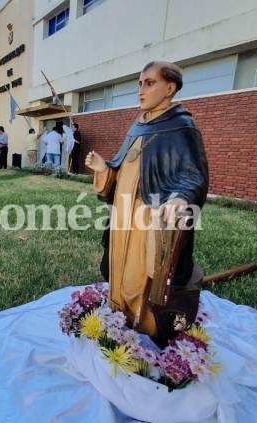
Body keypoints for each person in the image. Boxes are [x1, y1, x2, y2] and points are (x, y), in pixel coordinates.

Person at [85, 61, 209, 345]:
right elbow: (122, 166)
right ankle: (118, 313)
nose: (141, 90)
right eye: (140, 83)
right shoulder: (138, 124)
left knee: (140, 273)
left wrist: (180, 198)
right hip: (123, 212)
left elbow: (195, 175)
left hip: (148, 215)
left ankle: (143, 320)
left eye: (149, 83)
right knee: (119, 266)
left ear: (170, 88)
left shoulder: (182, 126)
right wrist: (104, 168)